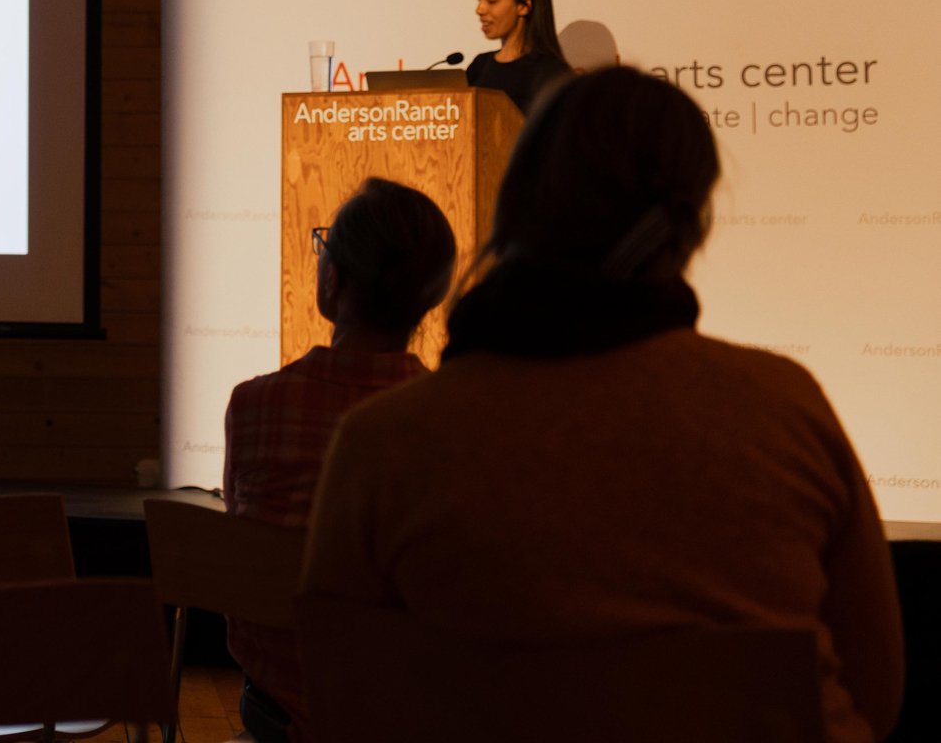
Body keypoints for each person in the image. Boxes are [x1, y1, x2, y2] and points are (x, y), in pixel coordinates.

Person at [303, 68, 903, 743]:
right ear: (688, 226)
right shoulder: (789, 408)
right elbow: (875, 693)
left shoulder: (382, 445)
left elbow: (339, 705)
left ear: (516, 205)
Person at [222, 178, 456, 743]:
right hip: (402, 715)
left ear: (334, 279)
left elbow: (243, 547)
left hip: (274, 712)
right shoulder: (450, 422)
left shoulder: (254, 404)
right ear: (430, 295)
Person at [463, 0, 573, 114]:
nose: (479, 9)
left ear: (524, 6)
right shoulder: (480, 66)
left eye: (491, 1)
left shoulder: (551, 73)